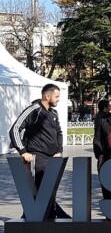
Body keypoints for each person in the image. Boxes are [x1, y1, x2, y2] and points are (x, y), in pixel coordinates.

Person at [9, 83, 70, 219]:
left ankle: (48, 215)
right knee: (40, 190)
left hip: (52, 158)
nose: (58, 99)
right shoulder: (34, 110)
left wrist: (59, 151)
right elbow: (15, 129)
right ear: (47, 96)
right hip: (38, 157)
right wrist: (23, 151)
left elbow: (59, 133)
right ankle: (33, 217)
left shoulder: (53, 113)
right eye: (57, 96)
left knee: (49, 190)